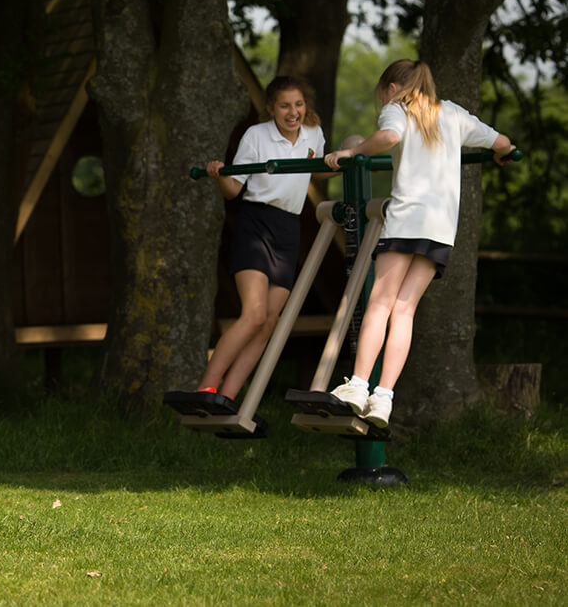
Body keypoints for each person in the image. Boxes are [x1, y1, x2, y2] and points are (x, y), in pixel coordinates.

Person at [325, 59, 513, 428]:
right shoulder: (453, 114)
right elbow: (503, 142)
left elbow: (391, 137)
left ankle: (359, 385)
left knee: (380, 301)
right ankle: (384, 398)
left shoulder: (397, 110)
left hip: (407, 219)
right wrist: (501, 154)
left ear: (392, 89)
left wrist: (353, 151)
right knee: (405, 310)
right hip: (441, 227)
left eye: (382, 96)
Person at [191, 76, 330, 409]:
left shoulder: (313, 133)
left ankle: (227, 397)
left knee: (269, 322)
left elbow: (318, 170)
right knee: (253, 314)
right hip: (256, 224)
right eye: (284, 105)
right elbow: (233, 190)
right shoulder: (256, 136)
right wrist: (221, 175)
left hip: (288, 228)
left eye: (298, 104)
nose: (293, 112)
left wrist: (339, 161)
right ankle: (206, 388)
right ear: (271, 109)